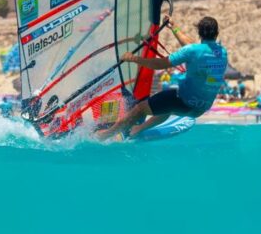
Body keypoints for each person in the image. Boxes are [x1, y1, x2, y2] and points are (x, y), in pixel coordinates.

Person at [97, 15, 228, 140]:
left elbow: (160, 64)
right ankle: (138, 129)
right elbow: (192, 47)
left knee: (140, 109)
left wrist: (133, 58)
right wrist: (173, 28)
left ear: (199, 33)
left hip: (184, 102)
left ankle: (105, 135)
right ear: (216, 33)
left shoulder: (194, 51)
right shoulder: (222, 52)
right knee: (166, 105)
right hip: (200, 108)